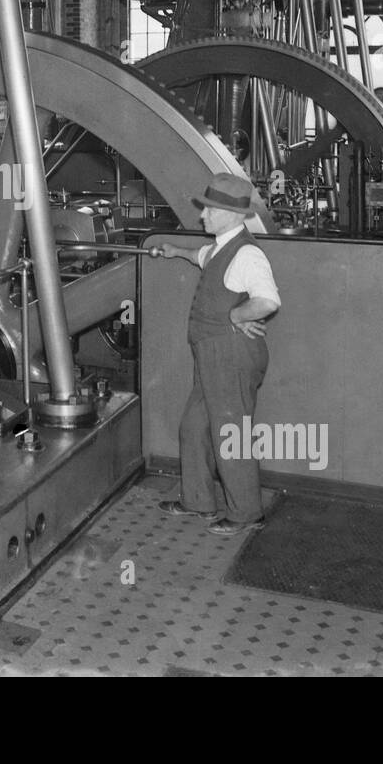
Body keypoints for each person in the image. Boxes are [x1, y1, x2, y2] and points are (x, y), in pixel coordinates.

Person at [154, 173, 281, 536]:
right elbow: (203, 256)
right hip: (211, 356)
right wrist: (175, 252)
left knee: (230, 433)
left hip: (231, 356)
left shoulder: (247, 253)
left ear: (231, 214)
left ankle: (246, 513)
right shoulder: (223, 246)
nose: (202, 216)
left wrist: (236, 315)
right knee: (194, 428)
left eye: (209, 210)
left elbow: (268, 300)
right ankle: (198, 501)